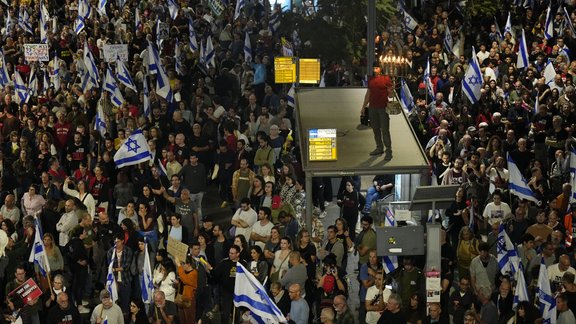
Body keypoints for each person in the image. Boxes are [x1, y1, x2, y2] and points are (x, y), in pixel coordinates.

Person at [361, 62, 394, 159]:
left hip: (383, 108)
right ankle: (379, 147)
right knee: (375, 129)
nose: (375, 69)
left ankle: (388, 150)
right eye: (374, 68)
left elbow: (390, 95)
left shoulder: (386, 78)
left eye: (377, 68)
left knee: (385, 129)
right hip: (372, 107)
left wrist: (391, 90)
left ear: (380, 68)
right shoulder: (370, 79)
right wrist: (363, 106)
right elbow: (368, 93)